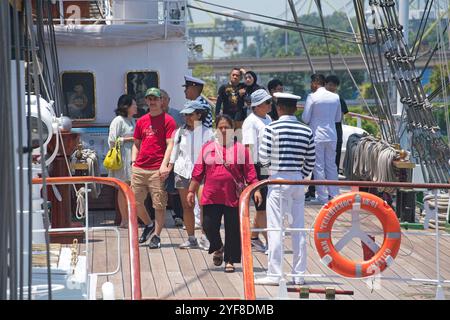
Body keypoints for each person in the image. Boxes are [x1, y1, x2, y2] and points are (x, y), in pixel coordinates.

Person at [187, 115, 262, 273]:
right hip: (211, 195)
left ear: (233, 129)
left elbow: (250, 173)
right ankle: (218, 247)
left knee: (233, 229)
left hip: (233, 196)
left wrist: (257, 190)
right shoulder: (207, 147)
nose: (223, 130)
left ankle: (230, 260)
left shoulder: (240, 149)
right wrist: (191, 191)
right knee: (207, 225)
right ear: (216, 129)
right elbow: (198, 173)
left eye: (226, 127)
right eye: (220, 127)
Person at [256, 92, 315, 286]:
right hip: (298, 180)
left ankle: (274, 274)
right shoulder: (306, 130)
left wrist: (270, 175)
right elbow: (310, 161)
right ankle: (298, 274)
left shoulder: (271, 128)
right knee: (298, 229)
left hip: (278, 180)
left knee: (275, 228)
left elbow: (263, 158)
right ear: (295, 108)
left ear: (278, 108)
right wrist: (299, 174)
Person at [131, 87, 177, 249]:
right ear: (146, 101)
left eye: (155, 99)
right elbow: (136, 144)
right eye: (149, 99)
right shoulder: (141, 121)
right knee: (135, 202)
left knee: (159, 204)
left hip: (157, 168)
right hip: (140, 167)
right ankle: (148, 224)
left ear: (161, 101)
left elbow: (170, 144)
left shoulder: (168, 120)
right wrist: (133, 162)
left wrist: (165, 165)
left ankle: (156, 235)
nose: (152, 102)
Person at [169, 100, 214, 249]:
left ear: (199, 115)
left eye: (190, 114)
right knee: (187, 206)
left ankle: (204, 237)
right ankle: (191, 238)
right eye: (185, 115)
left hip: (203, 174)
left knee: (204, 206)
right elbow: (174, 153)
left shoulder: (209, 133)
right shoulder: (179, 132)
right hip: (181, 172)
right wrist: (167, 168)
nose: (186, 117)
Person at [305, 75, 349, 200]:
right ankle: (334, 194)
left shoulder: (312, 97)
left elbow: (305, 118)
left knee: (318, 166)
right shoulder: (336, 97)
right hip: (332, 135)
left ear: (315, 83)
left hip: (317, 135)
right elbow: (337, 118)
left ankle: (321, 196)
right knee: (331, 165)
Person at [241, 89, 272, 253]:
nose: (270, 105)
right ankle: (270, 243)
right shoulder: (250, 122)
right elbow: (248, 150)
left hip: (267, 165)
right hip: (256, 166)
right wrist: (252, 178)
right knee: (263, 207)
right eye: (267, 102)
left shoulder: (268, 118)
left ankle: (253, 237)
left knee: (265, 204)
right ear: (258, 105)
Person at [108, 94, 137, 228]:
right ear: (126, 106)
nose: (136, 106)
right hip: (122, 158)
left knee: (132, 187)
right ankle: (124, 219)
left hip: (133, 157)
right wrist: (128, 139)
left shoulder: (133, 121)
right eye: (134, 104)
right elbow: (112, 140)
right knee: (122, 188)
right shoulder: (118, 120)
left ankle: (131, 218)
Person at [160, 89, 184, 227]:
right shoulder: (153, 115)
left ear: (168, 100)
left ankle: (178, 215)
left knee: (176, 186)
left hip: (175, 154)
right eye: (159, 98)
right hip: (159, 155)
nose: (162, 101)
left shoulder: (177, 115)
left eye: (164, 98)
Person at [325, 75, 349, 172]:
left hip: (336, 131)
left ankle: (333, 179)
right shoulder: (321, 99)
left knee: (335, 157)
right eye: (330, 85)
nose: (332, 88)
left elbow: (340, 117)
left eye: (334, 86)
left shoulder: (340, 99)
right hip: (326, 132)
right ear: (325, 85)